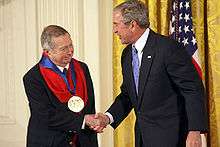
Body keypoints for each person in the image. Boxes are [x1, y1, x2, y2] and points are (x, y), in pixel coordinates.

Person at [89, 1, 208, 147]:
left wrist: (194, 130)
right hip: (142, 138)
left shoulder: (168, 49)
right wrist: (107, 118)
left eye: (116, 24)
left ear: (132, 25)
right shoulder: (127, 54)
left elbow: (192, 90)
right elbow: (128, 95)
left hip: (173, 137)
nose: (114, 30)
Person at [23, 25, 98, 147]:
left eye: (71, 45)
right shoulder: (33, 78)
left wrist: (94, 123)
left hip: (83, 141)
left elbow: (89, 107)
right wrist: (84, 121)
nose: (70, 51)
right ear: (47, 52)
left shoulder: (82, 68)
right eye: (63, 49)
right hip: (50, 141)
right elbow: (46, 115)